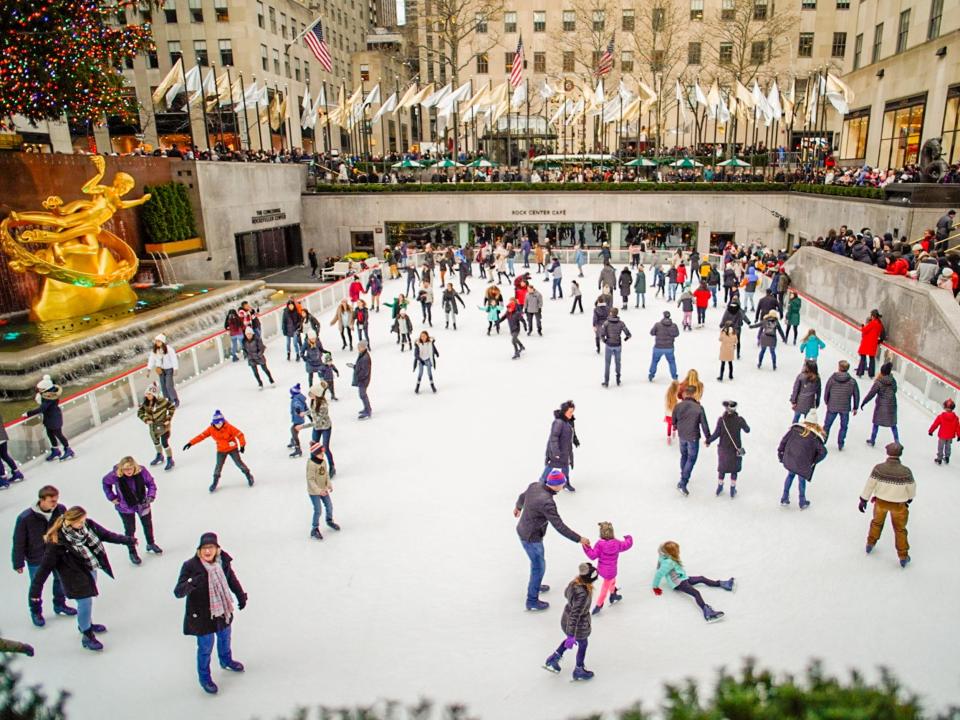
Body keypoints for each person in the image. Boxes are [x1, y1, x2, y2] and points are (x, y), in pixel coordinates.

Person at [29, 506, 136, 651]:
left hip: (89, 569)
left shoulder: (88, 526)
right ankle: (87, 634)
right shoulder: (57, 542)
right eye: (79, 522)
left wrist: (128, 540)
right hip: (73, 577)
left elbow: (106, 535)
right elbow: (44, 568)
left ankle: (86, 624)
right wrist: (35, 592)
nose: (82, 524)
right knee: (85, 603)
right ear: (69, 521)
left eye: (83, 520)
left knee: (88, 601)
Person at [173, 533, 247, 694]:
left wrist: (241, 595)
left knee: (225, 637)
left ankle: (226, 660)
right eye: (205, 548)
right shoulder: (190, 566)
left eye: (211, 548)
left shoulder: (222, 562)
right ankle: (205, 678)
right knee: (205, 647)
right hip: (201, 615)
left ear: (217, 549)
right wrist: (192, 583)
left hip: (222, 610)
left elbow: (231, 579)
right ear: (199, 550)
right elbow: (178, 592)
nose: (208, 551)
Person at [514, 470, 590, 611]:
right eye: (562, 484)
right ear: (556, 486)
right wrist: (579, 539)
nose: (563, 486)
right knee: (539, 567)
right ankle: (532, 601)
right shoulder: (547, 502)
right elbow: (560, 526)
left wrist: (518, 507)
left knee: (538, 564)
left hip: (523, 529)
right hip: (531, 538)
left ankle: (536, 585)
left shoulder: (534, 486)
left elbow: (522, 497)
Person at [13, 485, 74, 627]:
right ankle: (36, 611)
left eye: (56, 500)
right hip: (37, 557)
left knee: (60, 579)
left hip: (56, 553)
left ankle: (60, 604)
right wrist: (18, 562)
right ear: (42, 500)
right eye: (52, 501)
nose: (55, 503)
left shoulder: (60, 510)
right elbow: (19, 541)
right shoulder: (25, 518)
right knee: (36, 585)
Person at [859, 443, 916, 567]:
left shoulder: (879, 468)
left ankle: (870, 543)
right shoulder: (906, 472)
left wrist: (863, 499)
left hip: (881, 503)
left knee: (877, 523)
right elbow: (911, 488)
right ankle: (903, 556)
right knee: (900, 529)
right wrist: (910, 498)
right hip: (899, 505)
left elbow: (870, 484)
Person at [651, 541, 733, 622]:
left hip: (683, 578)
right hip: (679, 583)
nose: (678, 551)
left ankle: (722, 584)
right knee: (696, 593)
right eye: (677, 550)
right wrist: (655, 587)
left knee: (701, 578)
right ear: (672, 552)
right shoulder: (668, 563)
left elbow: (659, 562)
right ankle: (707, 612)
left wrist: (658, 566)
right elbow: (658, 574)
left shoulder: (663, 555)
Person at [101, 456, 162, 564]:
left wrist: (151, 496)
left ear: (135, 467)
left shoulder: (142, 471)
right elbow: (105, 483)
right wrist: (112, 497)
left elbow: (151, 483)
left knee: (147, 524)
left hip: (143, 504)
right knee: (130, 530)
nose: (128, 471)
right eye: (125, 469)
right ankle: (132, 552)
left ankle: (151, 543)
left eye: (130, 468)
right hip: (125, 507)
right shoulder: (115, 475)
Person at [542, 562, 597, 681]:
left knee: (570, 640)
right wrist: (572, 634)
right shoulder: (583, 594)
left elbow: (566, 594)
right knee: (583, 644)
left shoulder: (574, 583)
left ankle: (554, 657)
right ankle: (579, 669)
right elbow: (575, 615)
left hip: (565, 619)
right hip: (578, 625)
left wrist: (570, 635)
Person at [183, 410, 254, 492]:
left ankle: (248, 475)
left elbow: (240, 434)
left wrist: (242, 445)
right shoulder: (211, 429)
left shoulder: (229, 427)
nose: (218, 425)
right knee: (218, 466)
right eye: (216, 423)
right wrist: (190, 443)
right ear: (213, 423)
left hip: (232, 449)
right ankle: (215, 482)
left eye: (220, 423)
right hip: (221, 450)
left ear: (223, 422)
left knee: (238, 463)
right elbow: (201, 436)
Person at [777, 410, 828, 509]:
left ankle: (784, 497)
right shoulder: (814, 438)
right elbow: (823, 452)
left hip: (791, 458)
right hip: (804, 463)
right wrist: (813, 460)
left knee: (790, 476)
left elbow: (784, 441)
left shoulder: (794, 430)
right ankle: (802, 501)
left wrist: (780, 452)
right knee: (801, 480)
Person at [582, 522, 632, 615]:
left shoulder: (599, 544)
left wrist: (586, 547)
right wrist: (629, 538)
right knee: (605, 588)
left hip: (602, 570)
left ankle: (613, 594)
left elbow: (592, 555)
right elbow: (627, 545)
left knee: (611, 582)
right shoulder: (617, 543)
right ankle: (599, 604)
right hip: (612, 570)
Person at [23, 375, 74, 462]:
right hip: (49, 419)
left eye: (40, 389)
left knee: (59, 434)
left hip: (54, 419)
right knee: (50, 434)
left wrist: (28, 413)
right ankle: (55, 450)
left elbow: (42, 408)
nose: (38, 390)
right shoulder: (48, 394)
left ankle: (68, 449)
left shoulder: (49, 397)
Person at [706, 400, 750, 498]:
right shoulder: (739, 420)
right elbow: (747, 430)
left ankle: (720, 486)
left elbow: (716, 434)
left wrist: (708, 441)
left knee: (722, 468)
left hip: (723, 449)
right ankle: (732, 489)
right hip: (736, 449)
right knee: (734, 469)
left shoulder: (721, 420)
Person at [672, 386, 711, 496]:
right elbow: (704, 425)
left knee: (684, 455)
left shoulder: (678, 406)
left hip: (682, 436)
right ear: (694, 394)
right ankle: (683, 481)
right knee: (691, 458)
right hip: (693, 437)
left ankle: (683, 475)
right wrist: (708, 438)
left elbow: (673, 420)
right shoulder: (699, 408)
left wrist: (677, 427)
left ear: (685, 394)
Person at [539, 400, 579, 491]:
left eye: (572, 412)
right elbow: (554, 437)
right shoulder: (558, 422)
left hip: (566, 450)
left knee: (565, 465)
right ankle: (541, 482)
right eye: (570, 412)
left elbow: (572, 432)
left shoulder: (570, 421)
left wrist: (575, 440)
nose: (571, 414)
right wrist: (556, 451)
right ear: (564, 411)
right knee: (551, 465)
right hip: (557, 450)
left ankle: (565, 483)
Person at [306, 441, 340, 539]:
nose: (323, 455)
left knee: (329, 506)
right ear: (315, 454)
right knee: (318, 510)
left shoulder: (323, 462)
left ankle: (329, 520)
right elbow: (310, 480)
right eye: (321, 454)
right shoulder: (311, 465)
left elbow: (325, 475)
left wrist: (329, 484)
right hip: (314, 492)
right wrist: (318, 491)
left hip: (323, 489)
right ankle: (314, 528)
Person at [823, 360, 860, 450]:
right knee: (844, 426)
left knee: (827, 425)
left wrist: (827, 401)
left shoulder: (832, 379)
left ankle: (823, 441)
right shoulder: (852, 381)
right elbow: (856, 395)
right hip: (845, 407)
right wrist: (855, 407)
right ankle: (840, 443)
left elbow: (826, 391)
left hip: (832, 405)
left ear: (839, 367)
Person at [137, 384, 175, 471]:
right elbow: (140, 412)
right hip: (153, 428)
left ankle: (170, 459)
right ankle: (159, 455)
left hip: (163, 426)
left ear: (154, 395)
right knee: (156, 442)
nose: (147, 396)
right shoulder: (145, 404)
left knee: (164, 442)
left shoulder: (162, 401)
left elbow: (172, 408)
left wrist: (168, 419)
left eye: (149, 394)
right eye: (146, 394)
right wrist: (146, 419)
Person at [862, 362, 900, 446]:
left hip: (881, 405)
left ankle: (872, 439)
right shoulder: (893, 380)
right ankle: (897, 441)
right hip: (892, 404)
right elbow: (895, 390)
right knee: (893, 424)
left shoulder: (879, 382)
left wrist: (864, 402)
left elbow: (871, 394)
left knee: (876, 423)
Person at [599, 307, 631, 387]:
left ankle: (606, 382)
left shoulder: (606, 323)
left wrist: (605, 340)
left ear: (610, 313)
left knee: (607, 364)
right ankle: (618, 379)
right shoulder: (621, 323)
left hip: (609, 344)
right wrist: (625, 338)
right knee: (618, 363)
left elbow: (602, 334)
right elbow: (628, 334)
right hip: (618, 345)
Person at [147, 334, 180, 406]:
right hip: (160, 371)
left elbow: (173, 359)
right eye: (156, 341)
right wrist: (149, 369)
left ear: (162, 342)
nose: (157, 343)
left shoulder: (169, 349)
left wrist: (175, 368)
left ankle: (175, 399)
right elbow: (151, 359)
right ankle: (168, 400)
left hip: (169, 370)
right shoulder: (155, 351)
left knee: (169, 385)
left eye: (159, 341)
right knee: (163, 386)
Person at [648, 311, 680, 381]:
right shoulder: (674, 325)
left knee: (654, 361)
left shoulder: (657, 325)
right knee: (671, 362)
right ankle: (674, 376)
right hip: (669, 347)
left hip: (658, 347)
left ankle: (651, 375)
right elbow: (677, 334)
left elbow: (652, 333)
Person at [929, 398, 959, 465]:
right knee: (948, 446)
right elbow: (958, 427)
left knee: (940, 446)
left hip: (942, 435)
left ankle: (939, 458)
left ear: (945, 407)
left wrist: (931, 431)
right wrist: (959, 435)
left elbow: (935, 424)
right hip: (950, 436)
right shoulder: (956, 418)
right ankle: (947, 457)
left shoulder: (941, 416)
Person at [856, 309, 884, 379]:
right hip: (873, 343)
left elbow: (865, 330)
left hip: (866, 342)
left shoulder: (873, 323)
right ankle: (871, 374)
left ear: (872, 316)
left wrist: (862, 326)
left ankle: (860, 372)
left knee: (863, 357)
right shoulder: (879, 324)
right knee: (872, 359)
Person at [348, 341, 372, 419]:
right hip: (362, 379)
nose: (358, 348)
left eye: (359, 347)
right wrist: (354, 366)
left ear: (363, 347)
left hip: (363, 380)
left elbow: (365, 371)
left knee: (363, 395)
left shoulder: (365, 358)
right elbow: (360, 366)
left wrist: (358, 377)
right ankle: (366, 408)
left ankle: (368, 411)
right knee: (362, 395)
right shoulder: (362, 355)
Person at [288, 383, 308, 458]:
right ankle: (293, 441)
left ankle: (297, 448)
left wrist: (298, 411)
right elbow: (306, 408)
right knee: (295, 431)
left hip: (297, 419)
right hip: (300, 418)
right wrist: (310, 417)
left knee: (293, 431)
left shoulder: (295, 399)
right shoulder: (301, 398)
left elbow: (297, 405)